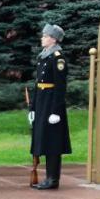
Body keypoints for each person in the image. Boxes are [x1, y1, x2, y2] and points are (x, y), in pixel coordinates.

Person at [29, 24, 71, 190]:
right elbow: (38, 84)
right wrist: (32, 108)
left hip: (52, 104)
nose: (42, 38)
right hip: (41, 102)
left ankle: (53, 179)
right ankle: (47, 178)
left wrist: (55, 111)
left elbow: (60, 86)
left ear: (53, 39)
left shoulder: (57, 58)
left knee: (53, 142)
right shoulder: (43, 56)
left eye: (45, 36)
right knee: (43, 139)